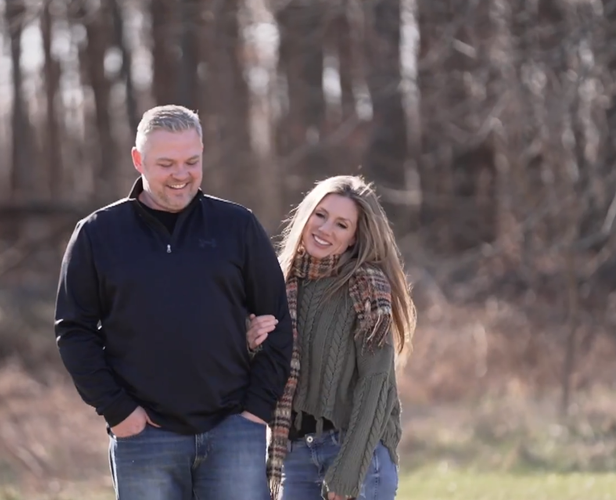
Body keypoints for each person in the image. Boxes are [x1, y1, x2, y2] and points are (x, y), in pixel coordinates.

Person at [54, 104, 293, 500]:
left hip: (233, 430)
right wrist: (119, 412)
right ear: (138, 160)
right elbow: (74, 332)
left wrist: (254, 412)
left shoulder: (237, 226)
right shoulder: (98, 235)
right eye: (166, 163)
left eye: (192, 161)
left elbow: (278, 321)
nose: (182, 175)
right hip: (144, 436)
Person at [246, 175, 417, 500]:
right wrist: (252, 344)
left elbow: (375, 382)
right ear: (306, 214)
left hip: (355, 452)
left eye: (341, 225)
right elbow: (268, 377)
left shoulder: (366, 287)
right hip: (293, 454)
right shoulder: (280, 285)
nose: (325, 229)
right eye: (320, 215)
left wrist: (349, 471)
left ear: (354, 238)